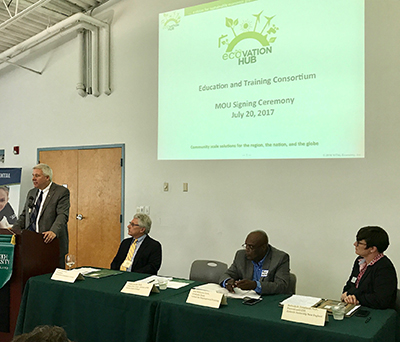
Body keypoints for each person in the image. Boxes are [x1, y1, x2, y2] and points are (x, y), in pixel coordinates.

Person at [12, 164, 70, 268]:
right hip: (32, 243)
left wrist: (53, 231)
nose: (33, 178)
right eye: (33, 175)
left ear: (47, 177)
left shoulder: (61, 192)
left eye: (37, 176)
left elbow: (62, 215)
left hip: (51, 242)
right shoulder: (32, 193)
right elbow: (24, 215)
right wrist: (13, 230)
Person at [341, 226, 398, 309]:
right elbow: (350, 285)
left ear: (372, 249)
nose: (355, 244)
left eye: (359, 243)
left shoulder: (384, 268)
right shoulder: (360, 261)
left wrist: (355, 296)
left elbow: (381, 300)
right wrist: (347, 295)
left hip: (378, 313)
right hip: (357, 307)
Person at [219, 230, 291, 295]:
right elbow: (227, 274)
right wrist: (227, 281)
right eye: (246, 245)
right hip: (247, 299)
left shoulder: (280, 258)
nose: (247, 250)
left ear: (263, 247)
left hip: (269, 300)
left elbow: (282, 286)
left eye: (251, 247)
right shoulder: (241, 256)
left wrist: (255, 285)